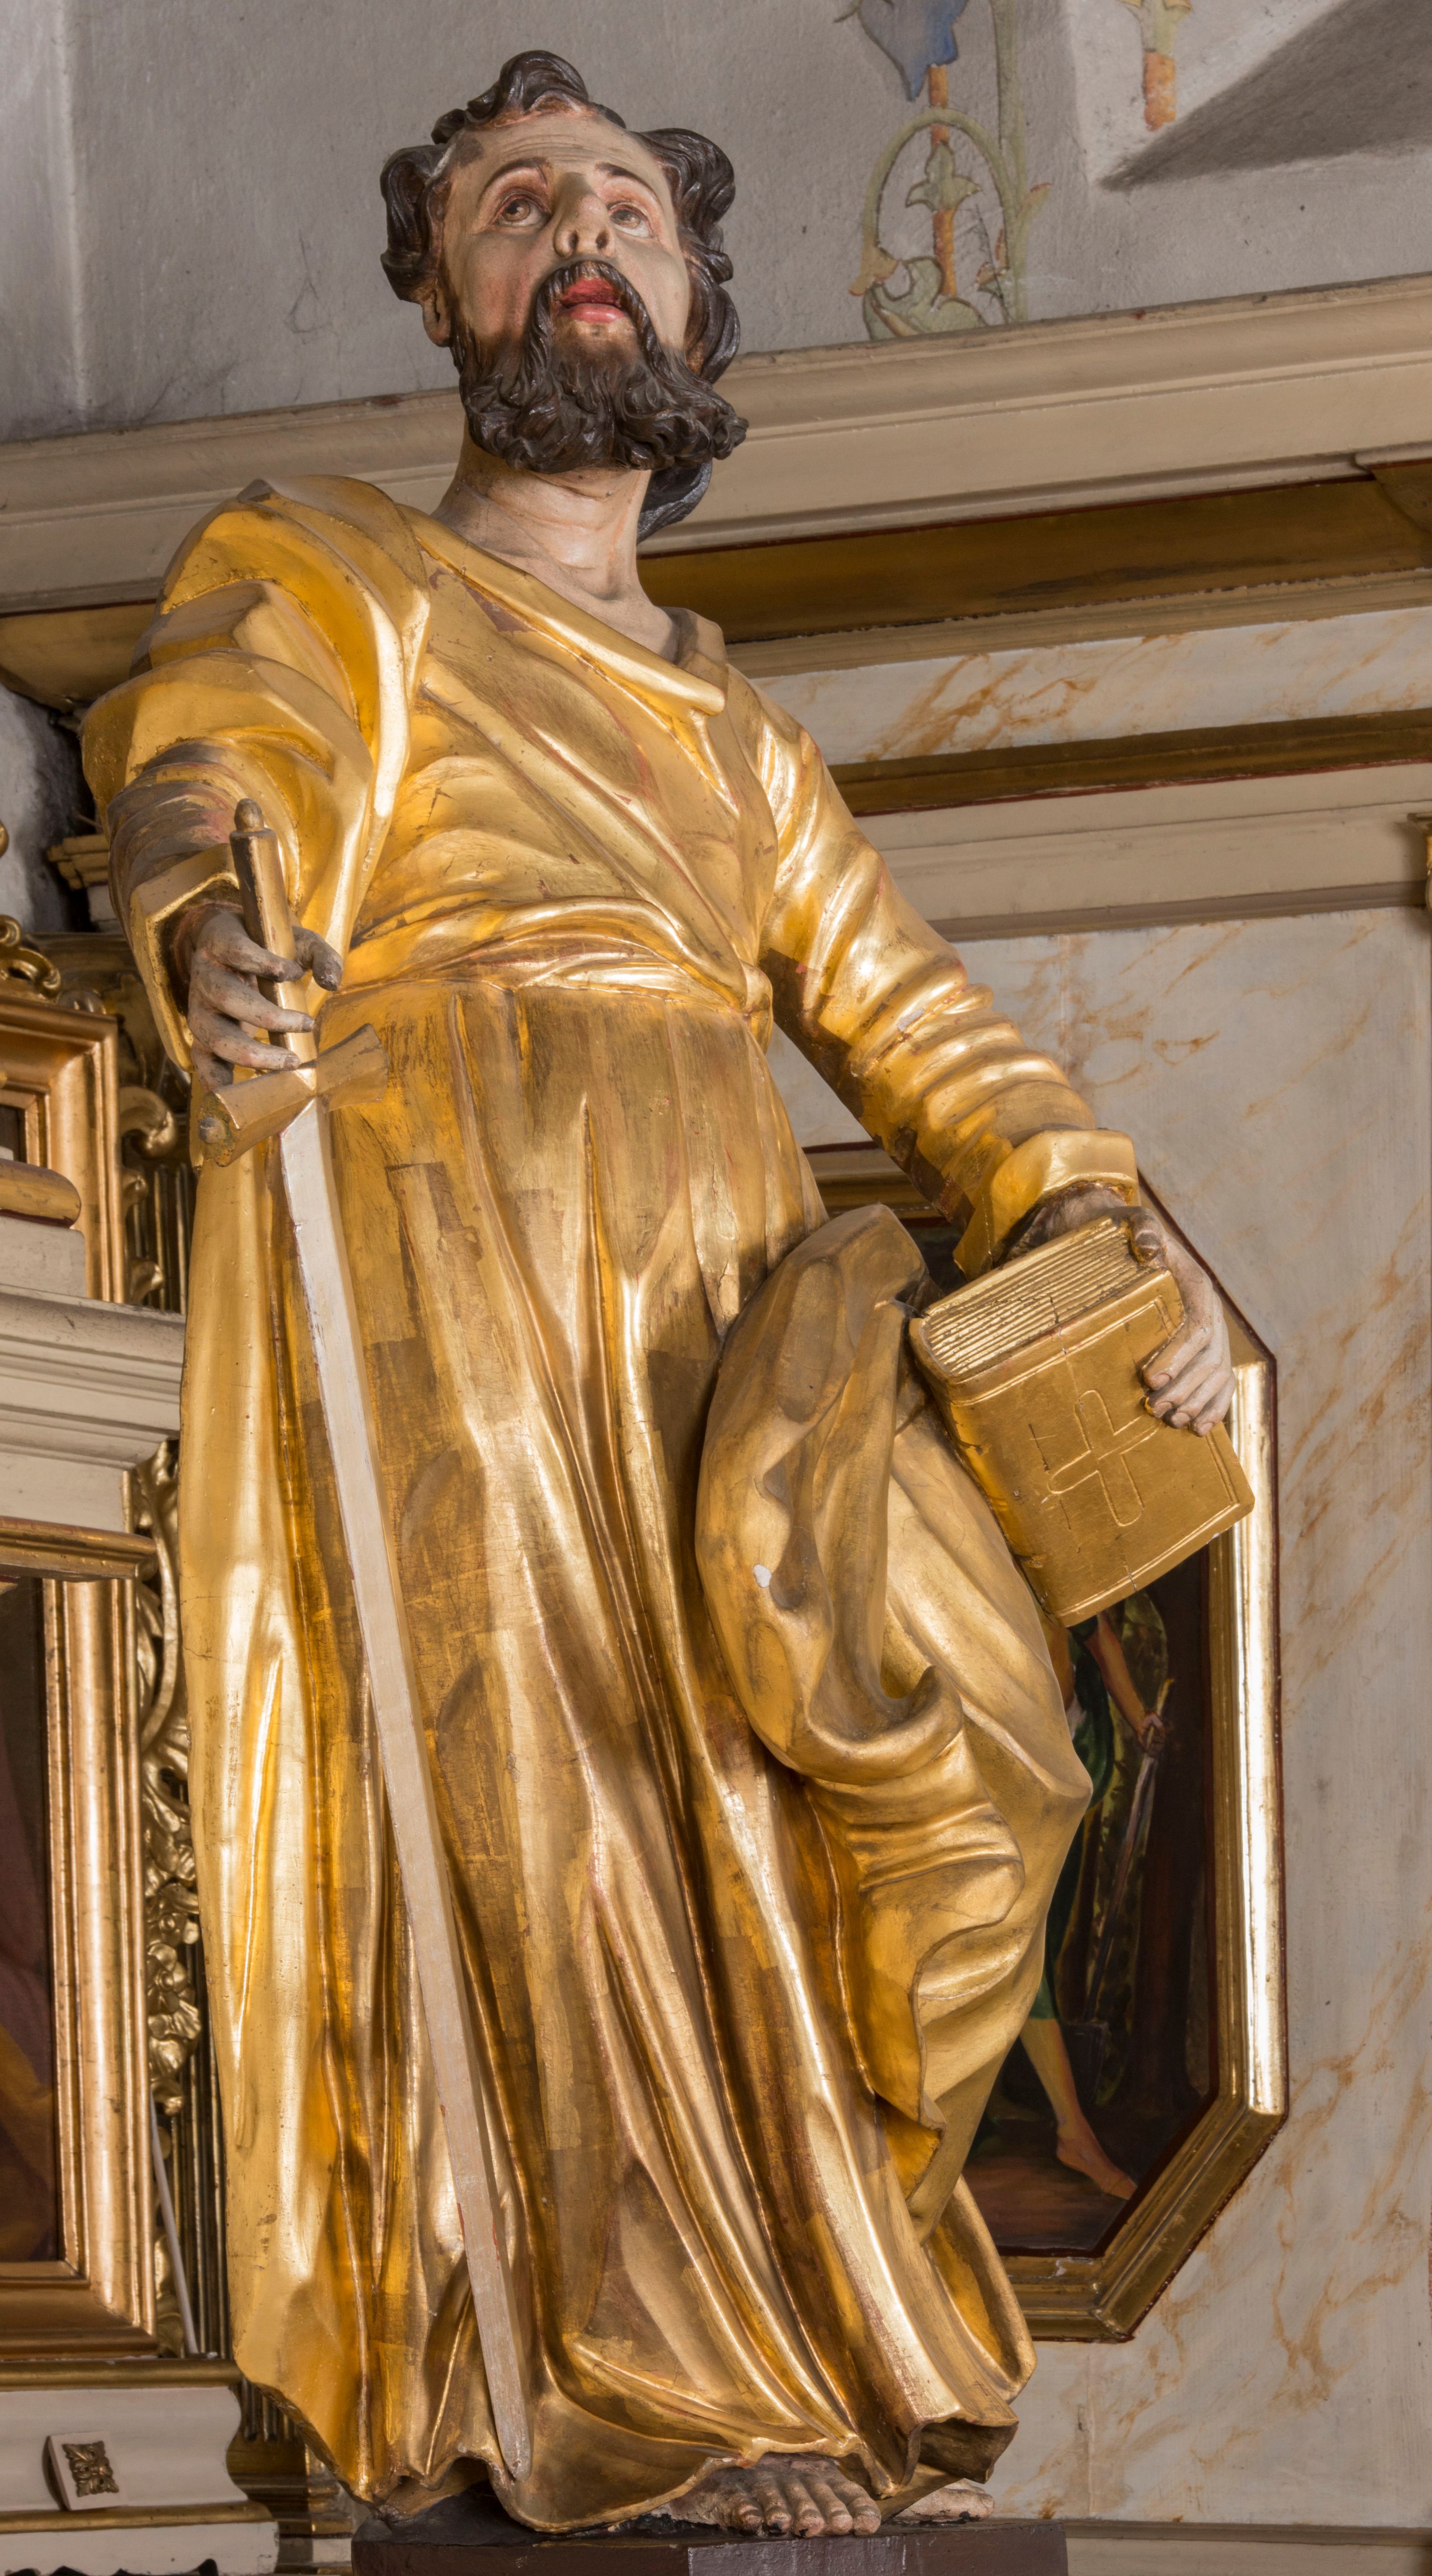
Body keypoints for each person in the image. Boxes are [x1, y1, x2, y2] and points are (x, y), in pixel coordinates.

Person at [83, 51, 1234, 2538]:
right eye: (515, 206)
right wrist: (207, 933)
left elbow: (911, 1018)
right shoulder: (335, 579)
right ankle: (644, 2382)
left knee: (918, 1766)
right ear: (444, 296)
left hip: (712, 1313)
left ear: (694, 298)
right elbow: (214, 780)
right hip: (454, 1268)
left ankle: (782, 2323)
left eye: (620, 205)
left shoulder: (729, 728)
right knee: (570, 1820)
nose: (577, 236)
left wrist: (1078, 1205)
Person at [1018, 1607, 1169, 2204]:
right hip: (1011, 1768)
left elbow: (1097, 1633)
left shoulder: (1044, 1560)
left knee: (1044, 1943)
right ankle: (1073, 2130)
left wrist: (1139, 1717)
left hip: (1075, 1759)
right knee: (1023, 1950)